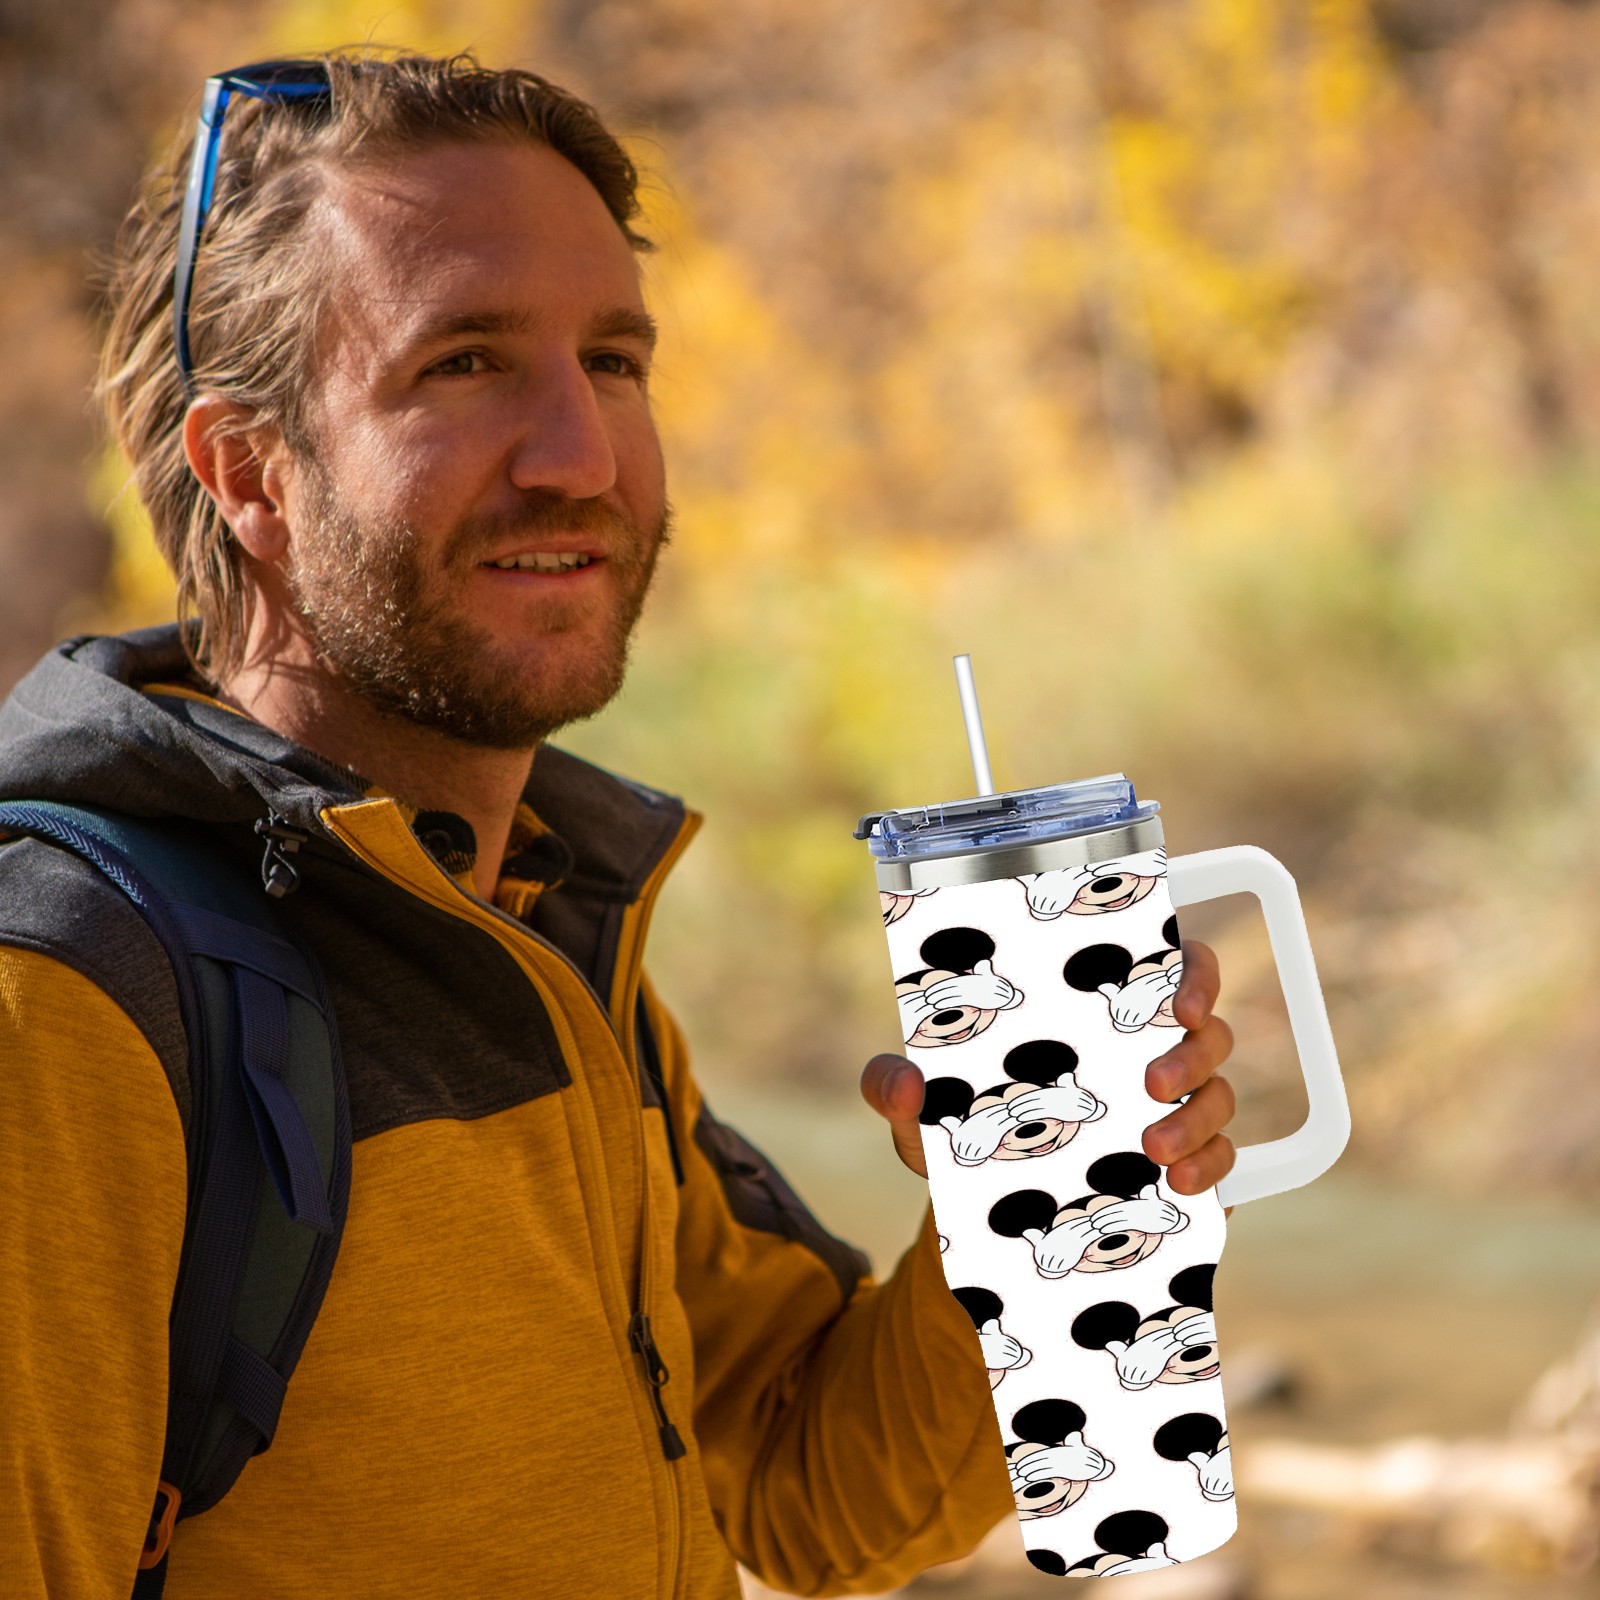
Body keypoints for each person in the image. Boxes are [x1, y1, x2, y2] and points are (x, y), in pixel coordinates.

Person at [0, 51, 1239, 1598]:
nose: (580, 455)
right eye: (463, 364)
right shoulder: (70, 997)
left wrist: (1042, 1216)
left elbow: (805, 1489)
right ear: (250, 473)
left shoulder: (540, 924)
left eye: (614, 360)